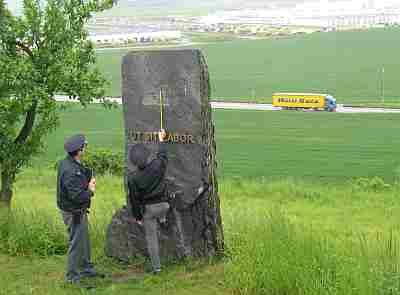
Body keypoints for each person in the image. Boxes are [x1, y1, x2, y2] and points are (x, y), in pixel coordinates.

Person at [127, 129, 191, 274]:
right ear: (147, 156)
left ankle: (157, 268)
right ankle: (164, 222)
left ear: (134, 162)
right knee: (166, 213)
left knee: (151, 238)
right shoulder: (156, 166)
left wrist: (138, 218)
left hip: (149, 210)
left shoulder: (133, 179)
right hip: (165, 205)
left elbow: (134, 200)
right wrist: (161, 139)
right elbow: (162, 155)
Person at [57, 134, 104, 285]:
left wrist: (86, 178)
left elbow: (77, 182)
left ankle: (85, 268)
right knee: (76, 242)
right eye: (85, 146)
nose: (86, 148)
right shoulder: (71, 171)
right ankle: (72, 276)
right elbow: (77, 197)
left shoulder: (68, 162)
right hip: (73, 212)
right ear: (79, 151)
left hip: (77, 210)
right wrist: (91, 189)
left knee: (84, 240)